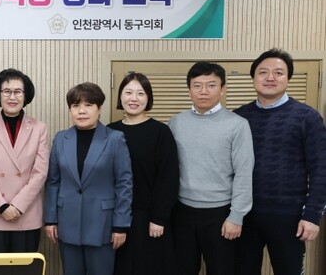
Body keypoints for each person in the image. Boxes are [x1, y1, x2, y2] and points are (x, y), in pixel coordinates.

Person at [234, 49, 326, 275]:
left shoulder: (307, 117)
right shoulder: (239, 117)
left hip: (289, 215)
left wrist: (312, 215)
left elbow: (321, 169)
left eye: (278, 72)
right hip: (244, 215)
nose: (270, 77)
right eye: (263, 72)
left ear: (288, 78)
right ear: (253, 77)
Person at [168, 61, 254, 275]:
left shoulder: (238, 124)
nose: (203, 91)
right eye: (197, 85)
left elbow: (244, 172)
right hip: (182, 211)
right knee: (182, 269)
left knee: (222, 270)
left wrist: (236, 217)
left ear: (222, 89)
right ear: (189, 90)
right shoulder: (176, 122)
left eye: (211, 85)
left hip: (220, 213)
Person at [44, 82, 133, 275]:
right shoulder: (61, 139)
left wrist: (120, 225)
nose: (81, 111)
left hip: (102, 224)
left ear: (99, 109)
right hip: (67, 222)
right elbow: (53, 181)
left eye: (88, 105)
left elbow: (124, 184)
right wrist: (50, 220)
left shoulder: (115, 139)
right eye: (75, 105)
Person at [108, 72, 179, 275]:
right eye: (128, 92)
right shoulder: (110, 132)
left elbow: (168, 178)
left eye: (140, 93)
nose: (134, 98)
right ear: (120, 96)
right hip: (115, 216)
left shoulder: (160, 132)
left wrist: (159, 218)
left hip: (149, 217)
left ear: (148, 98)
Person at [0, 68, 49, 253]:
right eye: (6, 91)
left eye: (18, 92)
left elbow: (40, 173)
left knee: (25, 266)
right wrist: (1, 206)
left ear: (26, 95)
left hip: (26, 213)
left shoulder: (39, 128)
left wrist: (17, 206)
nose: (12, 97)